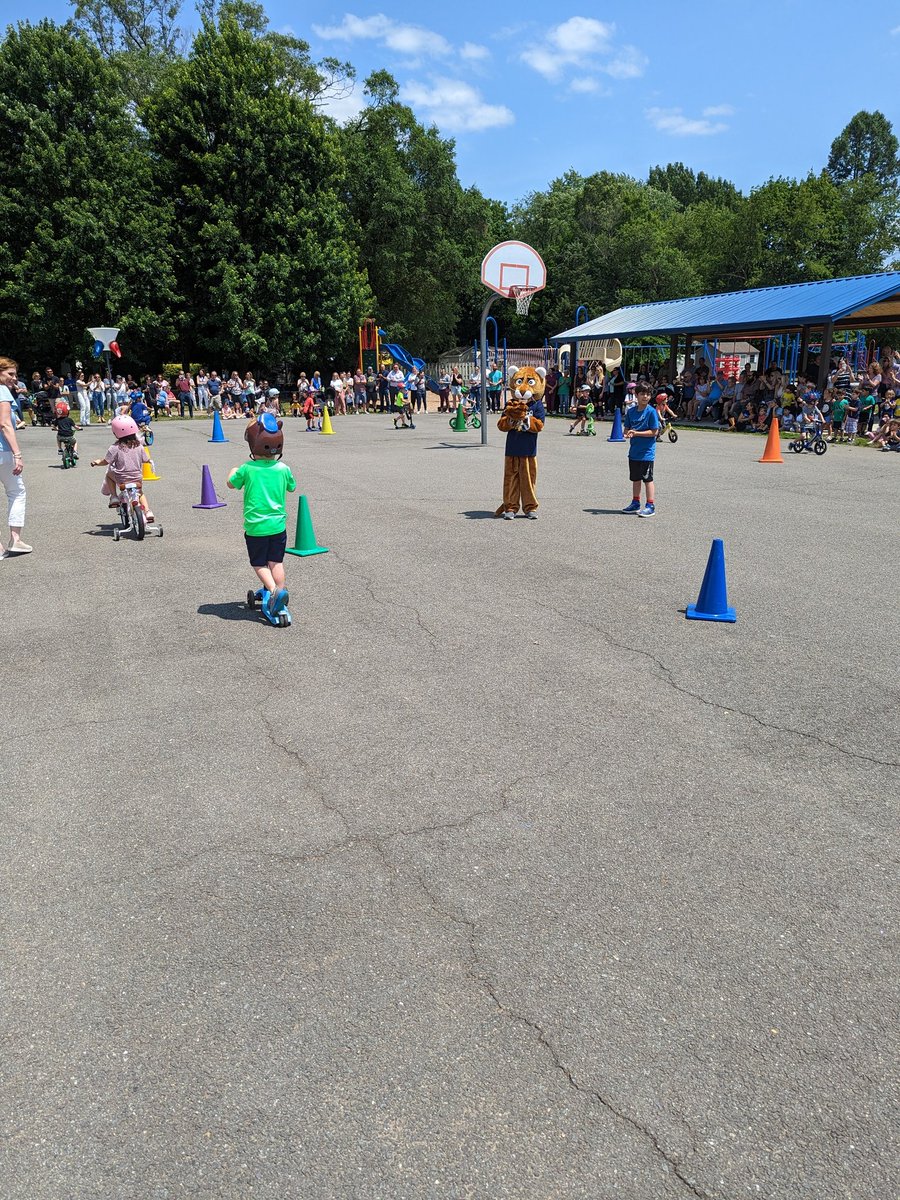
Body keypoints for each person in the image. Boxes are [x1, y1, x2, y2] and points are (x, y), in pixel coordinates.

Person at [227, 414, 296, 626]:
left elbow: (231, 484)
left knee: (258, 563)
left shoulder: (247, 468)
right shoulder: (283, 468)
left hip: (256, 527)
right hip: (278, 526)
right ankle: (280, 594)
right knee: (276, 561)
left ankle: (275, 593)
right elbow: (291, 487)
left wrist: (233, 471)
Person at [495, 366, 546, 520]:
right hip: (512, 449)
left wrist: (526, 419)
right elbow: (501, 425)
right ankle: (510, 507)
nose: (523, 389)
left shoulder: (537, 405)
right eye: (519, 382)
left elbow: (540, 425)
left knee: (529, 479)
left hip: (529, 450)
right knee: (510, 479)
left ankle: (530, 507)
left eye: (529, 383)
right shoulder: (511, 404)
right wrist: (511, 419)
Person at [90, 415, 155, 523]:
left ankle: (114, 497)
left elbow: (106, 461)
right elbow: (146, 459)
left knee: (109, 475)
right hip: (136, 477)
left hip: (122, 479)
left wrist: (96, 462)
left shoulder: (115, 447)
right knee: (140, 493)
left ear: (116, 432)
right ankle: (148, 512)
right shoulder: (139, 446)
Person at [0, 357, 30, 556]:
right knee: (16, 492)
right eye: (10, 374)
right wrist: (17, 454)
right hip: (3, 451)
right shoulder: (2, 391)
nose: (14, 378)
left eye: (15, 374)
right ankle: (15, 540)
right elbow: (4, 424)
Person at [622, 382, 660, 517]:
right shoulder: (631, 412)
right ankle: (635, 502)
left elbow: (654, 432)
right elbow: (626, 428)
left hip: (646, 454)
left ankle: (650, 505)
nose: (645, 397)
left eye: (648, 394)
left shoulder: (651, 412)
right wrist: (627, 434)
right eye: (642, 394)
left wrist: (637, 433)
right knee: (635, 479)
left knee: (647, 479)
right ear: (636, 395)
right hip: (634, 453)